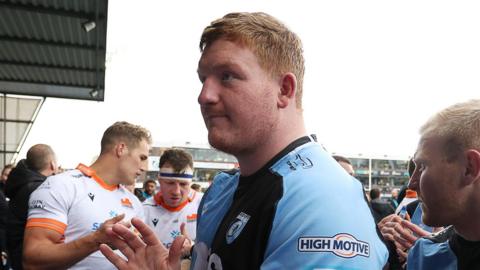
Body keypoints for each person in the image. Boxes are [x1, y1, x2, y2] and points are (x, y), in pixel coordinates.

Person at [100, 12, 388, 270]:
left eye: (227, 76)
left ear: (284, 90)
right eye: (203, 79)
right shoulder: (221, 190)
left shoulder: (321, 200)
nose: (204, 96)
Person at [23, 121, 150, 269]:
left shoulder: (134, 202)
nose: (145, 168)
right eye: (142, 158)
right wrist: (95, 240)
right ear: (121, 149)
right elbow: (32, 261)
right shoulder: (60, 186)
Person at [4, 144, 58, 270]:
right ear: (52, 165)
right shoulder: (41, 189)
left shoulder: (22, 182)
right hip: (31, 256)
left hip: (17, 251)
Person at [143, 149, 202, 251]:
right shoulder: (144, 209)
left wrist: (192, 250)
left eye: (183, 184)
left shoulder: (204, 204)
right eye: (170, 183)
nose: (176, 191)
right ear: (160, 181)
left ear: (190, 183)